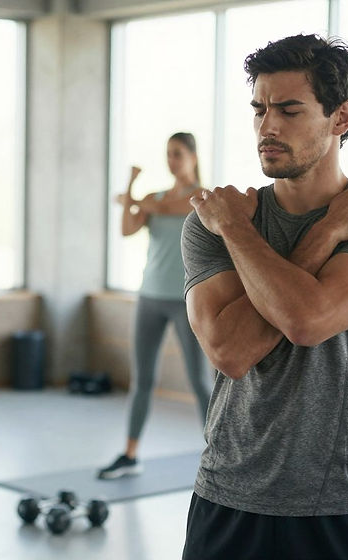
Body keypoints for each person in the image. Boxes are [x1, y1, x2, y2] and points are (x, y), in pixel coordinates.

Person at [179, 34, 348, 559]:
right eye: (259, 109)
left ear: (342, 117)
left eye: (289, 110)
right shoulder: (215, 222)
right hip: (228, 494)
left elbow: (307, 320)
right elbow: (230, 352)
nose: (267, 127)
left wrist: (242, 232)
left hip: (341, 503)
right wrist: (325, 232)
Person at [98, 133, 213, 480]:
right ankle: (130, 455)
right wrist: (131, 188)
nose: (171, 160)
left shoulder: (200, 197)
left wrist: (133, 200)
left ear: (193, 157)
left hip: (186, 299)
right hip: (150, 296)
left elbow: (168, 209)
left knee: (199, 381)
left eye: (178, 154)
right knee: (142, 380)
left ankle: (219, 455)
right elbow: (126, 228)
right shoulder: (153, 198)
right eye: (168, 154)